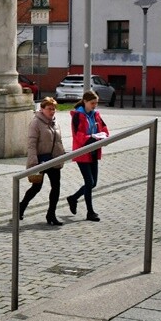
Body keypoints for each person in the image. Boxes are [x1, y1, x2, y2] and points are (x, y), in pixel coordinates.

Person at [20, 97, 66, 225]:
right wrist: (33, 163)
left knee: (56, 187)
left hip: (54, 160)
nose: (52, 111)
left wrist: (62, 154)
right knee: (36, 188)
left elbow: (58, 141)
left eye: (54, 109)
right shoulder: (36, 122)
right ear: (42, 109)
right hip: (40, 160)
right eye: (49, 109)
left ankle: (51, 214)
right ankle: (21, 207)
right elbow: (31, 144)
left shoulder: (55, 123)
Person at [67, 90, 108, 222]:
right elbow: (77, 135)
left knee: (93, 183)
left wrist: (103, 136)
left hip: (94, 151)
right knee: (89, 182)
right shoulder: (78, 115)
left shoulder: (96, 114)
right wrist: (91, 138)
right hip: (82, 152)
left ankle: (73, 198)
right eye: (92, 103)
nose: (94, 105)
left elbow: (104, 128)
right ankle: (90, 212)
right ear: (85, 101)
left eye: (96, 103)